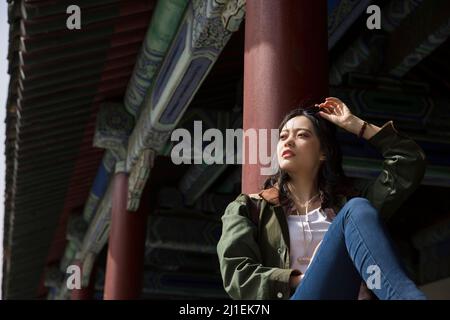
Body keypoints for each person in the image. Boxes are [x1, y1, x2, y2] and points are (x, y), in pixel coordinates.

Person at [217, 97, 427, 300]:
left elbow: (408, 162)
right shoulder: (248, 207)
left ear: (323, 152)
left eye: (302, 135)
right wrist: (300, 279)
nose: (288, 141)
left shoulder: (347, 210)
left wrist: (356, 125)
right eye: (283, 137)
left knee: (358, 208)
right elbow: (237, 276)